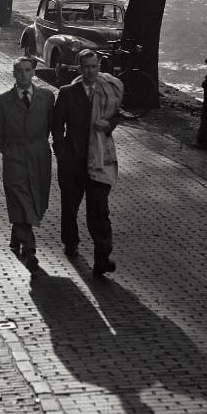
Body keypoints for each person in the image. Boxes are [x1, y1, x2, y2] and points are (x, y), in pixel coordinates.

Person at [53, 48, 124, 277]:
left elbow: (116, 114)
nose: (90, 71)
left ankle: (102, 258)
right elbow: (57, 125)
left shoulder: (108, 89)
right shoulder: (67, 92)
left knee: (99, 211)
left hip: (99, 159)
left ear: (99, 66)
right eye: (85, 67)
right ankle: (71, 242)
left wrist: (109, 124)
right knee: (70, 207)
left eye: (94, 67)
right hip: (73, 161)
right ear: (78, 68)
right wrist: (61, 151)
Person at [0, 56, 55, 272]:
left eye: (28, 70)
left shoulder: (46, 97)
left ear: (34, 73)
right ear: (14, 74)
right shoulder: (1, 102)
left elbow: (48, 126)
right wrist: (8, 150)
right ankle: (30, 250)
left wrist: (38, 146)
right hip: (15, 157)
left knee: (36, 199)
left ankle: (16, 237)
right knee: (19, 198)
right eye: (20, 71)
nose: (24, 74)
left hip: (38, 157)